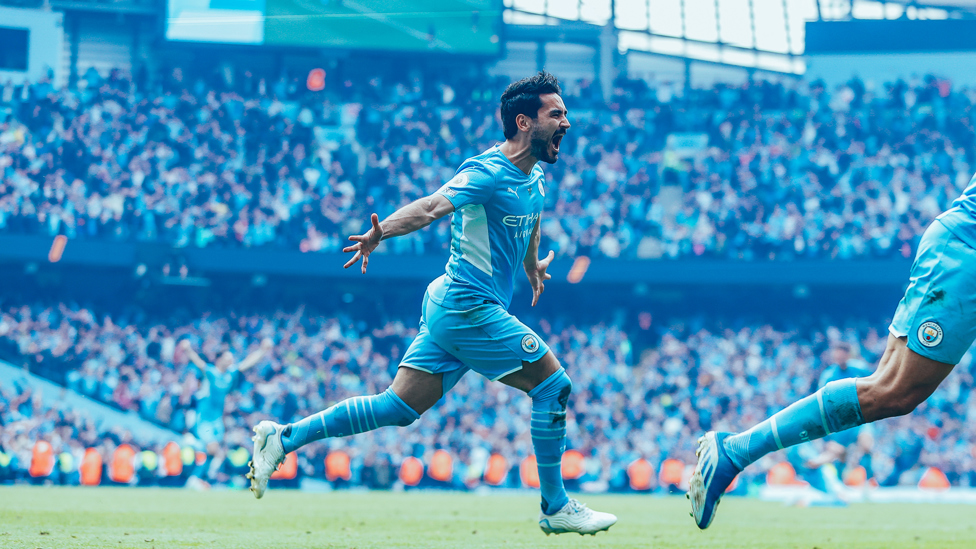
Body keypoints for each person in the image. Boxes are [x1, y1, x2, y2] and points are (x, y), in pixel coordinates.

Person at [246, 71, 616, 536]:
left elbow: (530, 219)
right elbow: (430, 207)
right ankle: (556, 505)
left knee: (396, 408)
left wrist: (530, 265)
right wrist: (383, 232)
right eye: (556, 113)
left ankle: (283, 437)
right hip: (468, 306)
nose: (567, 121)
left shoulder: (535, 177)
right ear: (524, 121)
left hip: (452, 305)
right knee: (553, 386)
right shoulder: (485, 172)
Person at [690, 174, 976, 529]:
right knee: (893, 391)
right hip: (966, 254)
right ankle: (736, 451)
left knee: (890, 390)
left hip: (959, 249)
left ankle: (736, 451)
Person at [180, 337, 273, 487]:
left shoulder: (230, 374)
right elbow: (199, 363)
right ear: (219, 359)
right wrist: (188, 349)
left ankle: (199, 479)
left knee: (216, 452)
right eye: (228, 358)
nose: (231, 360)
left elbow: (247, 364)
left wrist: (262, 351)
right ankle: (197, 478)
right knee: (213, 449)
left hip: (218, 420)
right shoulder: (211, 372)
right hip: (204, 419)